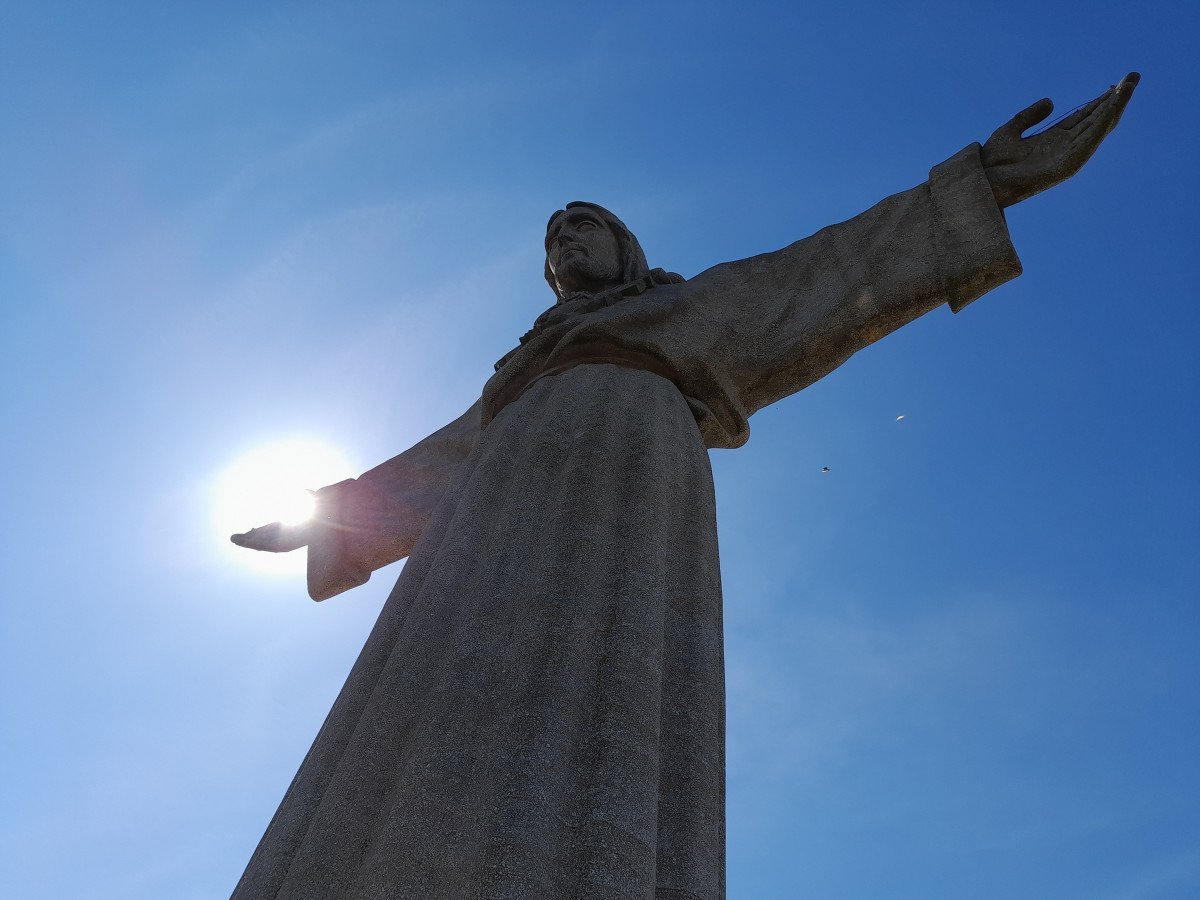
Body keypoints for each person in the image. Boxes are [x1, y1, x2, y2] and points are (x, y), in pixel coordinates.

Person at [230, 75, 1138, 900]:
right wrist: (326, 520)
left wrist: (976, 185)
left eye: (584, 225)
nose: (566, 240)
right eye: (554, 239)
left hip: (630, 461)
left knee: (607, 683)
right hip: (497, 503)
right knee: (426, 697)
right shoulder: (517, 377)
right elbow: (430, 467)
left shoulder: (684, 313)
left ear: (625, 250)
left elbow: (827, 269)